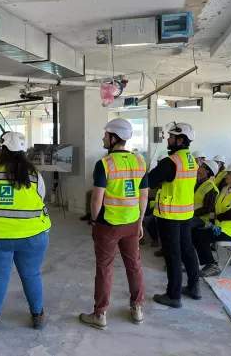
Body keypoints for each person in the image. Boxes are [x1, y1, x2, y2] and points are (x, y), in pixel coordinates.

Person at [0, 132, 50, 333]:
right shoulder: (34, 175)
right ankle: (38, 317)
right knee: (31, 275)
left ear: (3, 149)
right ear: (23, 152)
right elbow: (41, 198)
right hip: (32, 235)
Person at [79, 119, 147, 329]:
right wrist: (140, 222)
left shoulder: (105, 164)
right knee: (134, 265)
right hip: (132, 222)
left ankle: (100, 314)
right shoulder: (139, 162)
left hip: (108, 224)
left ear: (114, 138)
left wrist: (93, 220)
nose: (103, 138)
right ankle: (137, 309)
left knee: (105, 268)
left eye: (105, 135)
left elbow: (96, 199)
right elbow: (143, 197)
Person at [149, 122, 200, 308]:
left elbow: (149, 181)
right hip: (186, 213)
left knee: (173, 256)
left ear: (180, 140)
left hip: (170, 216)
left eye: (170, 137)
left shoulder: (171, 162)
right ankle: (194, 287)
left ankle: (173, 295)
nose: (167, 139)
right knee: (187, 250)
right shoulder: (192, 160)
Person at [192, 162, 231, 277]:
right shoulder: (225, 189)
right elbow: (216, 207)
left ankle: (211, 264)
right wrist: (212, 223)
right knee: (195, 233)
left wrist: (216, 217)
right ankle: (209, 264)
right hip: (221, 227)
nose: (225, 176)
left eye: (228, 174)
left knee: (201, 236)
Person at [191, 160, 219, 229]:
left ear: (207, 171)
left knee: (182, 224)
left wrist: (190, 213)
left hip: (201, 219)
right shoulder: (194, 182)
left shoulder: (211, 188)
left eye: (202, 166)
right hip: (190, 214)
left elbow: (207, 209)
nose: (199, 166)